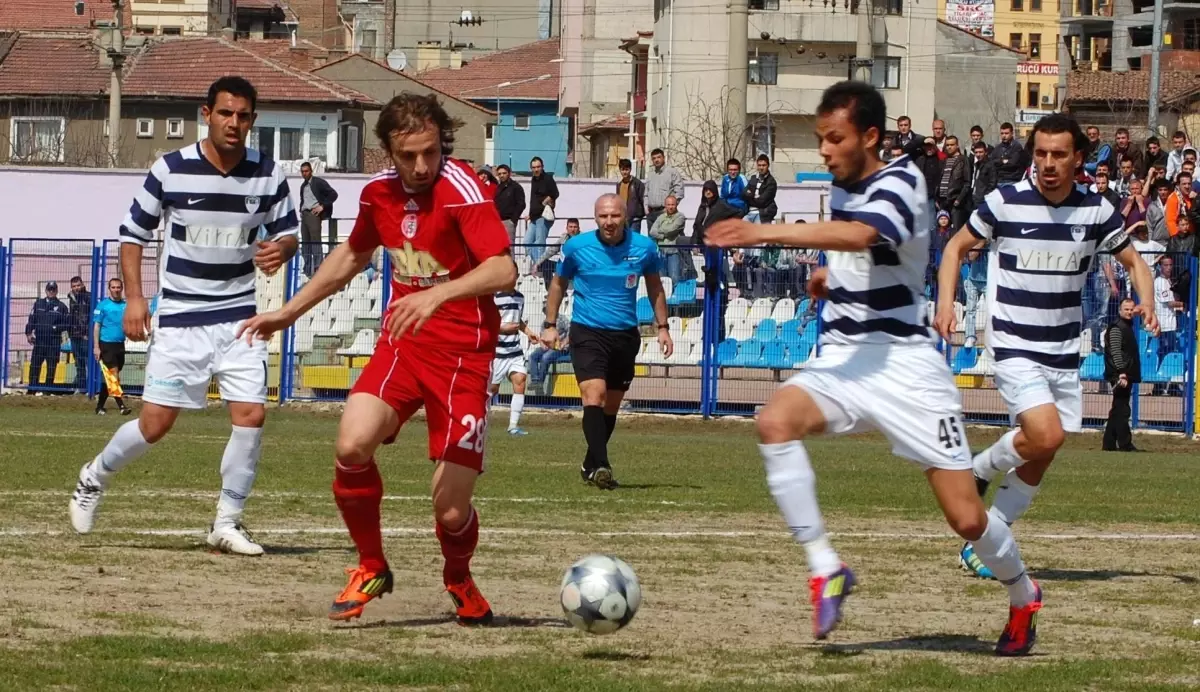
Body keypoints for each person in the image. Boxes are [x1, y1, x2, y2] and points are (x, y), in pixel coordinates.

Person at [706, 80, 1041, 655]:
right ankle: (825, 569)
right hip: (843, 359)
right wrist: (828, 279)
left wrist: (764, 231)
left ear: (870, 136)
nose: (825, 150)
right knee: (774, 423)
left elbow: (867, 235)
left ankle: (1022, 593)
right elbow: (866, 256)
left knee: (965, 518)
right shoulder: (841, 189)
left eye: (835, 138)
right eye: (820, 140)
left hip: (906, 368)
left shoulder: (904, 180)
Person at [238, 92, 516, 623]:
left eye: (430, 152)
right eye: (408, 155)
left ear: (442, 144)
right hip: (403, 345)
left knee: (451, 509)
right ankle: (371, 565)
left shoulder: (464, 190)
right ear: (388, 149)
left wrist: (436, 295)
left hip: (463, 355)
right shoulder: (378, 195)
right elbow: (351, 255)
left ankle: (458, 577)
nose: (420, 165)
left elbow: (503, 271)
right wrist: (287, 313)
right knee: (351, 444)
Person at [68, 76, 300, 557]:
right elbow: (132, 236)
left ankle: (227, 522)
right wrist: (136, 299)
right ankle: (94, 477)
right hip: (179, 318)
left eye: (243, 116)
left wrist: (281, 248)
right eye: (225, 113)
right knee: (155, 424)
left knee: (252, 415)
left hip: (239, 318)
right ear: (206, 114)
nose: (234, 123)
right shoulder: (170, 169)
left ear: (252, 121)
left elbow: (289, 233)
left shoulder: (269, 173)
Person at [936, 113, 1158, 584]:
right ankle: (979, 468)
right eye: (1040, 153)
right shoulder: (1005, 201)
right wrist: (945, 303)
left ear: (1079, 158)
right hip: (1014, 342)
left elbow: (1135, 262)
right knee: (1047, 434)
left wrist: (1148, 300)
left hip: (1063, 348)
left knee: (1043, 450)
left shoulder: (1095, 210)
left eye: (1059, 154)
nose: (1048, 163)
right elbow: (955, 247)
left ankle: (989, 536)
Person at [542, 193, 672, 490]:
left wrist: (662, 327)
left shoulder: (644, 248)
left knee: (611, 406)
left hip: (625, 335)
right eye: (603, 216)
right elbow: (558, 284)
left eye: (615, 215)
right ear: (595, 217)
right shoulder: (576, 247)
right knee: (594, 395)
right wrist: (550, 325)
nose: (609, 222)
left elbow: (655, 286)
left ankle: (590, 462)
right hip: (587, 331)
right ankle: (602, 465)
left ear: (625, 216)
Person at [490, 289, 540, 436]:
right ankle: (474, 420)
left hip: (515, 350)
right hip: (498, 351)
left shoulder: (520, 297)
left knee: (520, 380)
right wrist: (502, 328)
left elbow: (518, 322)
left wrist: (529, 332)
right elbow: (485, 321)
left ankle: (513, 426)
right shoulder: (494, 297)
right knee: (492, 389)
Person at [92, 278, 132, 416]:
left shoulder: (125, 306)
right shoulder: (102, 306)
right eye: (113, 287)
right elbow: (96, 326)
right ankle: (122, 406)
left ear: (122, 289)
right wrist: (96, 347)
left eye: (118, 287)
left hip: (120, 344)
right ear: (109, 289)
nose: (116, 290)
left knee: (110, 378)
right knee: (113, 375)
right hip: (106, 344)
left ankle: (99, 407)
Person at [25, 281, 70, 394]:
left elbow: (67, 324)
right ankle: (32, 390)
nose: (51, 292)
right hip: (39, 341)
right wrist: (29, 333)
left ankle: (47, 391)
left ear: (56, 291)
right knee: (35, 365)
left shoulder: (62, 307)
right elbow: (32, 319)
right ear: (46, 290)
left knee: (51, 367)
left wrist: (55, 328)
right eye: (49, 289)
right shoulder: (38, 304)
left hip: (53, 342)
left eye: (53, 290)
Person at [299, 161, 339, 277]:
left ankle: (318, 268)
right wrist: (301, 210)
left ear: (311, 171)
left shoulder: (318, 182)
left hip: (313, 214)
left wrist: (322, 206)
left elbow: (333, 194)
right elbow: (304, 200)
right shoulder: (303, 186)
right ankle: (307, 269)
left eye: (306, 171)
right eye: (302, 172)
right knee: (305, 243)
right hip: (305, 215)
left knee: (315, 241)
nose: (304, 173)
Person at [525, 156, 559, 272]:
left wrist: (546, 201)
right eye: (534, 167)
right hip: (534, 217)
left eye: (538, 167)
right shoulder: (534, 179)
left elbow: (555, 193)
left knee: (540, 244)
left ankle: (540, 267)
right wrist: (530, 214)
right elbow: (533, 199)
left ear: (542, 167)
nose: (536, 169)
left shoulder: (548, 178)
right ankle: (542, 265)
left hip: (543, 217)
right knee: (527, 242)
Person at [648, 194, 686, 284]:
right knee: (662, 279)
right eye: (668, 205)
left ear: (676, 205)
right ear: (665, 205)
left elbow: (671, 230)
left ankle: (674, 297)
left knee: (674, 278)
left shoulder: (680, 217)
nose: (671, 207)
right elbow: (652, 231)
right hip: (661, 251)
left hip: (674, 252)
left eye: (672, 204)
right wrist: (663, 235)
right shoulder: (661, 217)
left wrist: (660, 230)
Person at [645, 148, 685, 229]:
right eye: (654, 158)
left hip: (665, 213)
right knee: (652, 240)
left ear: (663, 158)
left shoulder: (672, 172)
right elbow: (646, 193)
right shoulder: (651, 174)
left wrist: (670, 208)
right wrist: (646, 208)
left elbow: (679, 191)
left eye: (659, 157)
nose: (656, 160)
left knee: (665, 239)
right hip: (651, 214)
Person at [66, 276, 92, 393]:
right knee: (78, 362)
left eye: (78, 285)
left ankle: (91, 387)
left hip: (85, 335)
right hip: (74, 335)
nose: (76, 288)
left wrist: (87, 332)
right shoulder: (71, 298)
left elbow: (91, 316)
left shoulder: (88, 297)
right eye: (74, 286)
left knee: (88, 361)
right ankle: (81, 387)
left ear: (82, 285)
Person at [493, 164, 526, 243]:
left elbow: (521, 204)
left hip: (508, 222)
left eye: (504, 173)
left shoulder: (516, 187)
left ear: (509, 173)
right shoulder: (498, 188)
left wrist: (513, 220)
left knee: (509, 247)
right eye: (500, 174)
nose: (502, 175)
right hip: (498, 221)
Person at [744, 154, 779, 223]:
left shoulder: (771, 182)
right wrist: (754, 196)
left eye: (764, 165)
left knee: (758, 232)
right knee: (740, 229)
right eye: (759, 165)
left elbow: (761, 202)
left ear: (768, 166)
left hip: (762, 214)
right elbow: (744, 193)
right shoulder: (753, 178)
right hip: (749, 213)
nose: (761, 167)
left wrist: (750, 195)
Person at [616, 158, 646, 233]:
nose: (625, 172)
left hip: (635, 220)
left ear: (630, 169)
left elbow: (643, 199)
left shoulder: (637, 183)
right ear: (620, 170)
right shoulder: (619, 185)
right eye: (623, 169)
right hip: (623, 218)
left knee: (634, 240)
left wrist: (640, 214)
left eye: (627, 169)